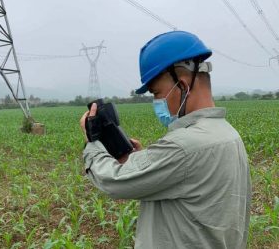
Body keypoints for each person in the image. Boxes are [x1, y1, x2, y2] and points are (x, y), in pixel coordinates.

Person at [80, 31, 251, 249]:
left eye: (157, 93)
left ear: (183, 85)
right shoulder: (228, 134)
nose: (157, 102)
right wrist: (136, 159)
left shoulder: (185, 146)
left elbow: (113, 181)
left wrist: (92, 142)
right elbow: (185, 181)